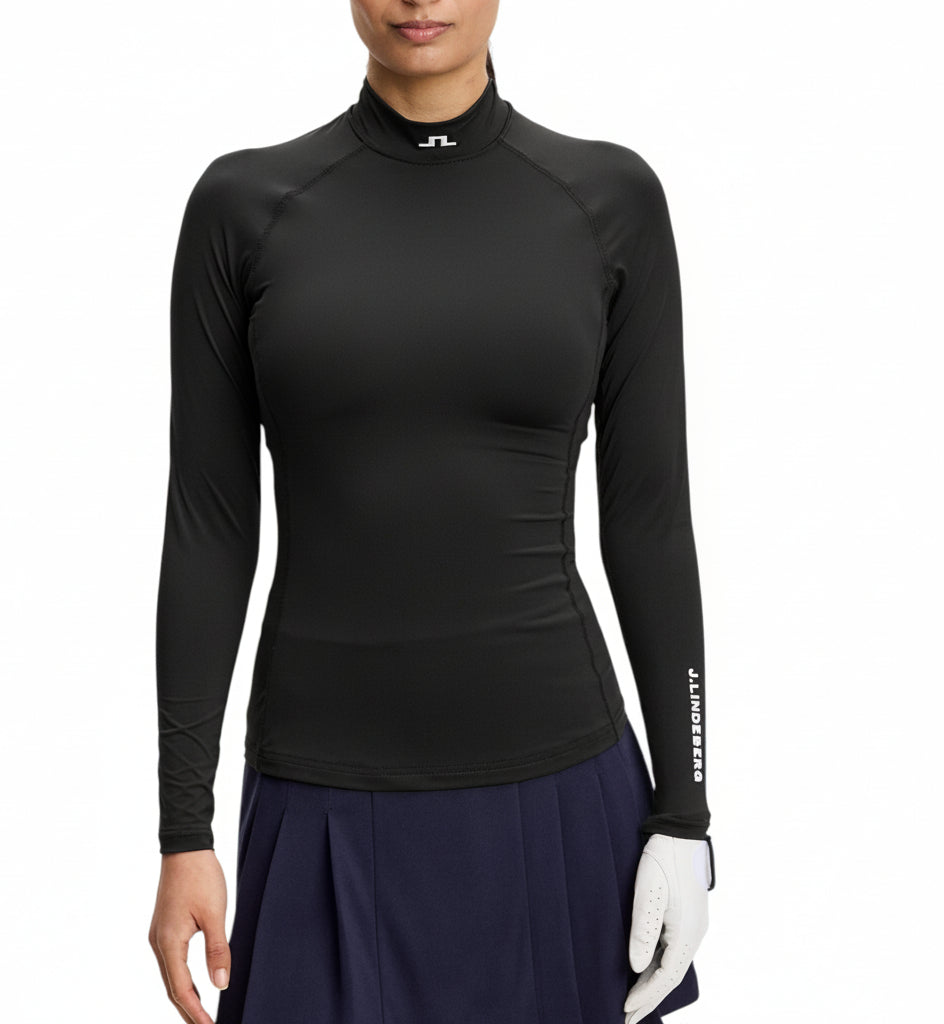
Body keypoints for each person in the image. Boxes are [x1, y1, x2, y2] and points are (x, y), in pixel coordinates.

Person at [146, 3, 716, 1023]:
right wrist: (183, 831)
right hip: (319, 795)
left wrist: (685, 813)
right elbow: (208, 529)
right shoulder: (244, 207)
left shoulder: (607, 200)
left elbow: (649, 522)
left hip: (560, 794)